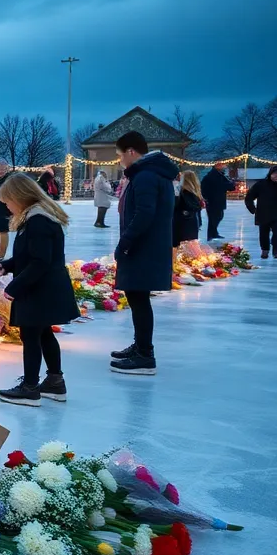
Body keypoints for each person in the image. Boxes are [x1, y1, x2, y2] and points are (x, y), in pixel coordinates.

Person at [0, 173, 79, 406]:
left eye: (7, 201)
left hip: (41, 289)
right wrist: (6, 265)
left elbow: (40, 262)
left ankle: (30, 387)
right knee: (43, 332)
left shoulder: (38, 220)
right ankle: (55, 382)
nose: (6, 206)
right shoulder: (36, 216)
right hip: (45, 287)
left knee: (31, 335)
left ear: (19, 197)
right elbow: (31, 256)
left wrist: (15, 286)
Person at [110, 131, 178, 375]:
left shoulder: (147, 175)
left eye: (119, 155)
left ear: (130, 151)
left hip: (142, 248)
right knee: (137, 299)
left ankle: (145, 354)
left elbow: (144, 213)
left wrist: (125, 242)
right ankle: (141, 346)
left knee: (139, 300)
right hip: (145, 247)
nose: (119, 160)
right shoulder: (150, 174)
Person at [244, 165, 277, 259]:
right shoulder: (261, 184)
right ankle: (265, 250)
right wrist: (252, 209)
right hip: (264, 213)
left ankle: (276, 250)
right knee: (263, 233)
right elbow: (249, 197)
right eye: (276, 174)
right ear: (270, 174)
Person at [171, 170, 203, 265]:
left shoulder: (182, 193)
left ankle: (181, 265)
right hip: (191, 224)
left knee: (180, 250)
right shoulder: (195, 193)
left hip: (180, 225)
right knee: (190, 250)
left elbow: (176, 207)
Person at [200, 162, 234, 240]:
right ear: (217, 166)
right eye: (222, 164)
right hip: (214, 200)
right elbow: (225, 185)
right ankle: (212, 234)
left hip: (216, 200)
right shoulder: (215, 176)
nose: (224, 166)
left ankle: (213, 233)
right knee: (215, 217)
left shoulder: (219, 175)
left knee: (217, 216)